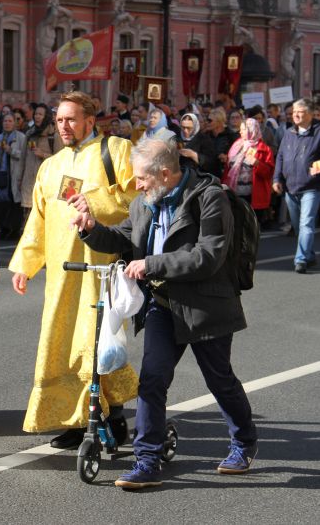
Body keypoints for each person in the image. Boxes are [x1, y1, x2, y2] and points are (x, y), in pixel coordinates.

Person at [72, 137, 258, 489]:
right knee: (152, 380)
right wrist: (91, 230)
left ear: (166, 173)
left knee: (220, 380)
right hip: (162, 303)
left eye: (141, 178)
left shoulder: (209, 197)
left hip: (206, 304)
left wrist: (152, 264)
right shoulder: (145, 202)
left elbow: (209, 255)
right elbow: (124, 239)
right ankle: (147, 459)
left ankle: (244, 442)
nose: (136, 185)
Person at [8, 91, 139, 448]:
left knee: (97, 341)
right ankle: (76, 420)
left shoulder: (115, 151)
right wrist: (25, 264)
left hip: (101, 268)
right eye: (59, 120)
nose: (64, 126)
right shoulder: (50, 166)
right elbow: (39, 217)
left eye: (70, 119)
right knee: (63, 343)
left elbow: (137, 200)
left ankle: (112, 415)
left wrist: (95, 203)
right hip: (62, 274)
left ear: (89, 120)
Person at [272, 98, 320, 274]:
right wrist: (276, 179)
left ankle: (300, 259)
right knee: (298, 225)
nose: (295, 115)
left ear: (309, 113)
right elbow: (280, 157)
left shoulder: (318, 131)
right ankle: (309, 254)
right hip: (290, 187)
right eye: (293, 112)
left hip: (312, 186)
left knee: (306, 223)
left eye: (299, 111)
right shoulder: (289, 132)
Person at [223, 118, 275, 221]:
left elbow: (269, 173)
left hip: (253, 195)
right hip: (235, 193)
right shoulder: (237, 145)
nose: (240, 132)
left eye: (243, 129)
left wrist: (257, 163)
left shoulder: (264, 149)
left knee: (251, 226)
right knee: (237, 225)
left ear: (251, 130)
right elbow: (228, 168)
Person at [19, 104, 62, 222]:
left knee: (43, 219)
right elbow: (23, 158)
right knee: (28, 220)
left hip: (46, 184)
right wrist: (19, 180)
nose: (37, 117)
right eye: (36, 114)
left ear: (46, 116)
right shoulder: (29, 134)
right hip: (28, 183)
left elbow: (60, 160)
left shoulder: (54, 135)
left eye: (40, 114)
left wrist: (43, 154)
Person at [0, 113, 25, 239]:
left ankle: (13, 230)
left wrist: (10, 150)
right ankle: (3, 228)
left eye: (10, 121)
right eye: (5, 121)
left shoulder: (21, 138)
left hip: (13, 176)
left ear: (15, 123)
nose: (7, 123)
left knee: (13, 204)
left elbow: (23, 155)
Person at [178, 113, 220, 177]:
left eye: (189, 128)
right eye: (183, 127)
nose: (185, 131)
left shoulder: (204, 139)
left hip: (198, 177)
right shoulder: (176, 138)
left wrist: (193, 155)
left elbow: (211, 162)